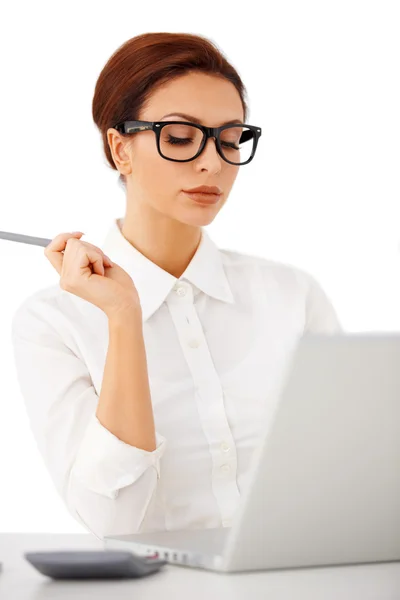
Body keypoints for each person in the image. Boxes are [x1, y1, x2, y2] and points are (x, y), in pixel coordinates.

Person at [11, 32, 343, 542]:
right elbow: (113, 518)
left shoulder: (292, 297)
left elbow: (348, 470)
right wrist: (123, 317)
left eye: (230, 139)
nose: (212, 162)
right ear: (120, 149)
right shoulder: (52, 322)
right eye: (181, 136)